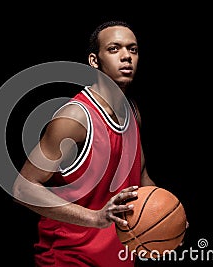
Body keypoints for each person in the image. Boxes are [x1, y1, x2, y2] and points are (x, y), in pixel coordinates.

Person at [12, 20, 157, 266]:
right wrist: (96, 217)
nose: (126, 57)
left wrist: (166, 211)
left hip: (117, 257)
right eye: (114, 49)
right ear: (94, 60)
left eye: (132, 49)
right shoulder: (75, 117)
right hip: (70, 258)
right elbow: (22, 188)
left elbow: (140, 177)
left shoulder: (132, 112)